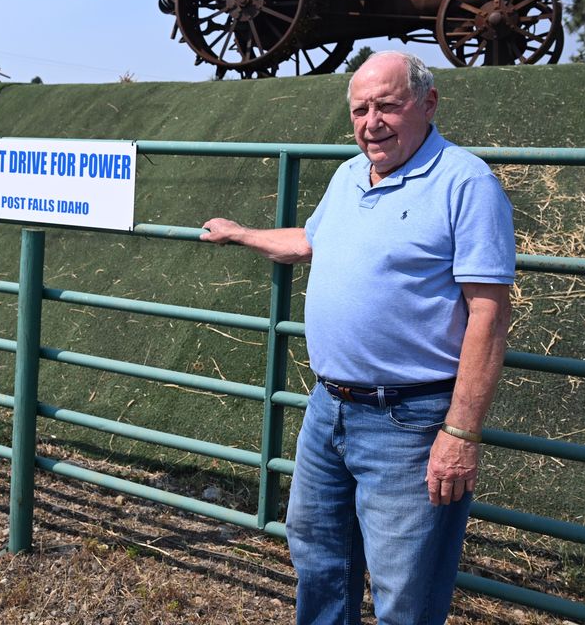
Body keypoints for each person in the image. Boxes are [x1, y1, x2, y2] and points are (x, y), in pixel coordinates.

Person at [201, 51, 514, 625]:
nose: (372, 122)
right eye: (360, 109)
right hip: (329, 409)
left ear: (428, 104)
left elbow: (489, 315)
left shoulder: (466, 183)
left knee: (404, 593)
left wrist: (461, 433)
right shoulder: (350, 175)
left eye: (388, 106)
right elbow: (311, 241)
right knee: (317, 562)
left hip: (411, 421)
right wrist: (242, 234)